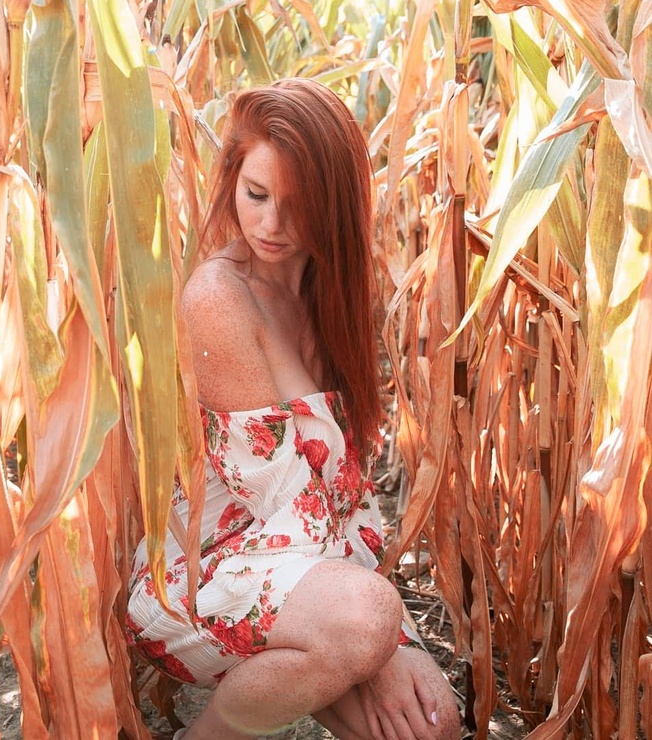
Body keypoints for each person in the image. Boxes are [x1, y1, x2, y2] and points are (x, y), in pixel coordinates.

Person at [126, 78, 460, 740]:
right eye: (255, 195)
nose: (272, 226)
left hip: (308, 574)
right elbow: (289, 506)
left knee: (434, 724)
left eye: (298, 204)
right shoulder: (218, 300)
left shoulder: (328, 295)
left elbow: (345, 491)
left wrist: (387, 637)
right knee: (364, 621)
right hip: (205, 575)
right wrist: (384, 638)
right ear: (232, 180)